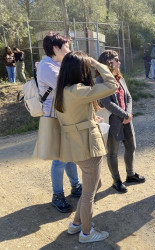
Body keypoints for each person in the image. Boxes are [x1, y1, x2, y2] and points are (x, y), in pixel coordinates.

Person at [55, 51, 119, 243]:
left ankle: (76, 224)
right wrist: (98, 64)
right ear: (80, 69)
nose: (89, 70)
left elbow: (72, 116)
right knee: (90, 192)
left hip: (75, 146)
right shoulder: (78, 90)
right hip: (88, 147)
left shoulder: (63, 90)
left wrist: (89, 119)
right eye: (87, 67)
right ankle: (86, 232)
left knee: (93, 185)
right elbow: (112, 85)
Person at [37, 32, 82, 213]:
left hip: (63, 114)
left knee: (68, 153)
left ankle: (76, 185)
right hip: (55, 117)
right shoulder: (47, 66)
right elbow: (68, 86)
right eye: (66, 46)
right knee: (60, 158)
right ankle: (57, 195)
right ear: (55, 48)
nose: (69, 50)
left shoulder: (57, 63)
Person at [97, 50, 145, 193]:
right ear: (108, 62)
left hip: (126, 119)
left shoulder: (119, 78)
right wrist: (124, 115)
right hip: (113, 121)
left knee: (131, 147)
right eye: (116, 60)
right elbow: (106, 102)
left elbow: (128, 97)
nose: (119, 62)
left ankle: (130, 175)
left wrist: (128, 114)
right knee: (112, 153)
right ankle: (116, 181)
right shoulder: (100, 80)